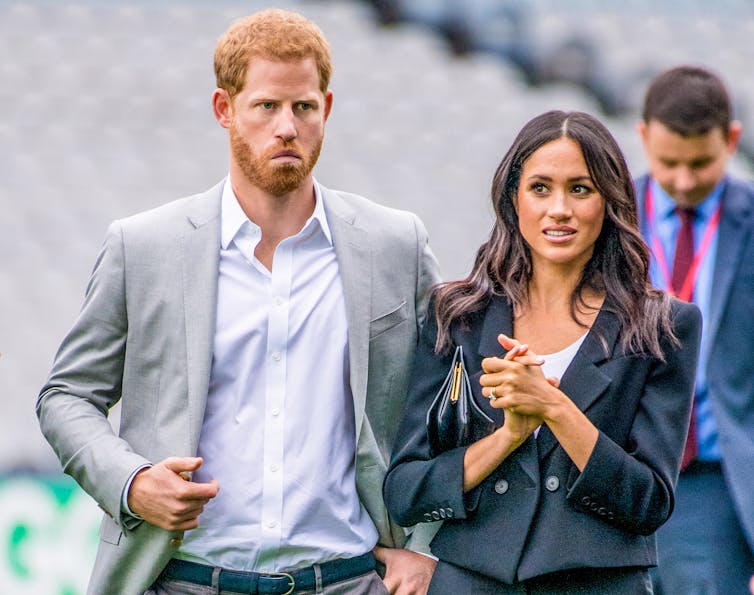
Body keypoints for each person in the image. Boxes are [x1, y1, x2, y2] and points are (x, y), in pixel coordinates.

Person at [36, 9, 440, 595]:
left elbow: (448, 405)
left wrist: (423, 548)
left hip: (348, 581)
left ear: (325, 109)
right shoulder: (143, 246)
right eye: (267, 106)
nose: (287, 127)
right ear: (225, 109)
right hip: (182, 580)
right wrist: (133, 483)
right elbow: (66, 396)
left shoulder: (395, 244)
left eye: (303, 107)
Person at [383, 110, 702, 593]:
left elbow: (649, 503)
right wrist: (507, 437)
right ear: (514, 200)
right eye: (540, 188)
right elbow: (405, 493)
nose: (559, 208)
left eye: (580, 189)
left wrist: (553, 406)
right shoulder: (457, 315)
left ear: (608, 202)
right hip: (470, 581)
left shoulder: (663, 325)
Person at [635, 65, 754, 594]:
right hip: (613, 470)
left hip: (713, 484)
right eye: (668, 164)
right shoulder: (599, 218)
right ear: (643, 138)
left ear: (732, 140)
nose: (683, 181)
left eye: (701, 164)